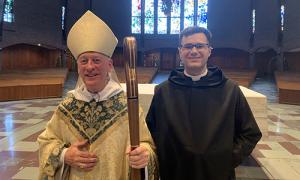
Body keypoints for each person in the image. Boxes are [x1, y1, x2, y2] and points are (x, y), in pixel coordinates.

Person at [38, 11, 158, 180]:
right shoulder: (67, 106)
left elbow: (147, 145)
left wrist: (143, 154)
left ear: (109, 65)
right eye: (84, 60)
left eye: (96, 60)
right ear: (78, 67)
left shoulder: (127, 107)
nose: (89, 67)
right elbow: (46, 141)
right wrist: (65, 155)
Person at [146, 26, 262, 180]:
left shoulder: (230, 90)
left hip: (217, 173)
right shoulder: (163, 91)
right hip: (175, 172)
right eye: (188, 46)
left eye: (200, 46)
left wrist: (227, 159)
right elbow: (150, 133)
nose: (194, 51)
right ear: (180, 52)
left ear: (209, 51)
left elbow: (250, 133)